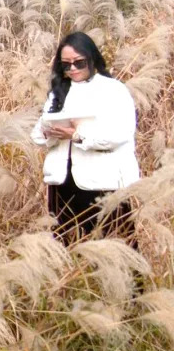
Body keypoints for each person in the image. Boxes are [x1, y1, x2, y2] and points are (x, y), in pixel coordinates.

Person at [30, 31, 139, 244]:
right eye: (66, 64)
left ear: (92, 59)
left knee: (115, 247)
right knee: (68, 246)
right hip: (63, 183)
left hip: (102, 183)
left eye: (78, 63)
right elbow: (37, 134)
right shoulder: (58, 92)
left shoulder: (113, 89)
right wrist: (51, 132)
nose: (72, 69)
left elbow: (121, 133)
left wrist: (78, 135)